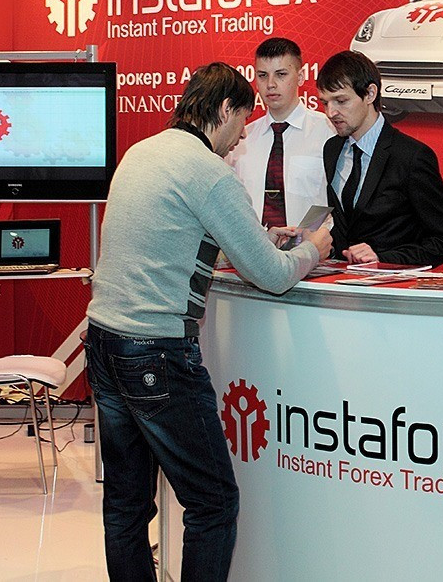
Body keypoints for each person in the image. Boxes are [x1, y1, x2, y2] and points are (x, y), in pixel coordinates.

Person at [84, 62, 331, 582]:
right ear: (223, 109)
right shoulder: (209, 172)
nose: (242, 137)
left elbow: (168, 240)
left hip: (104, 340)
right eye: (241, 120)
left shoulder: (142, 152)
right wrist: (313, 247)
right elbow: (274, 276)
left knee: (126, 503)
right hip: (155, 351)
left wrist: (258, 240)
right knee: (213, 503)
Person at [318, 51, 443, 266]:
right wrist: (308, 240)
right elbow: (345, 224)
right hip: (340, 281)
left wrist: (382, 259)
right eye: (325, 103)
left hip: (394, 283)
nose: (331, 112)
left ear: (370, 94)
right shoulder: (331, 149)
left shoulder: (411, 156)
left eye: (341, 101)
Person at [226, 37, 333, 227]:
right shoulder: (240, 140)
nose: (270, 84)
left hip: (313, 243)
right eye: (262, 75)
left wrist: (308, 238)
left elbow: (337, 202)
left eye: (281, 74)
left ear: (300, 77)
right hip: (252, 244)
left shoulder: (328, 131)